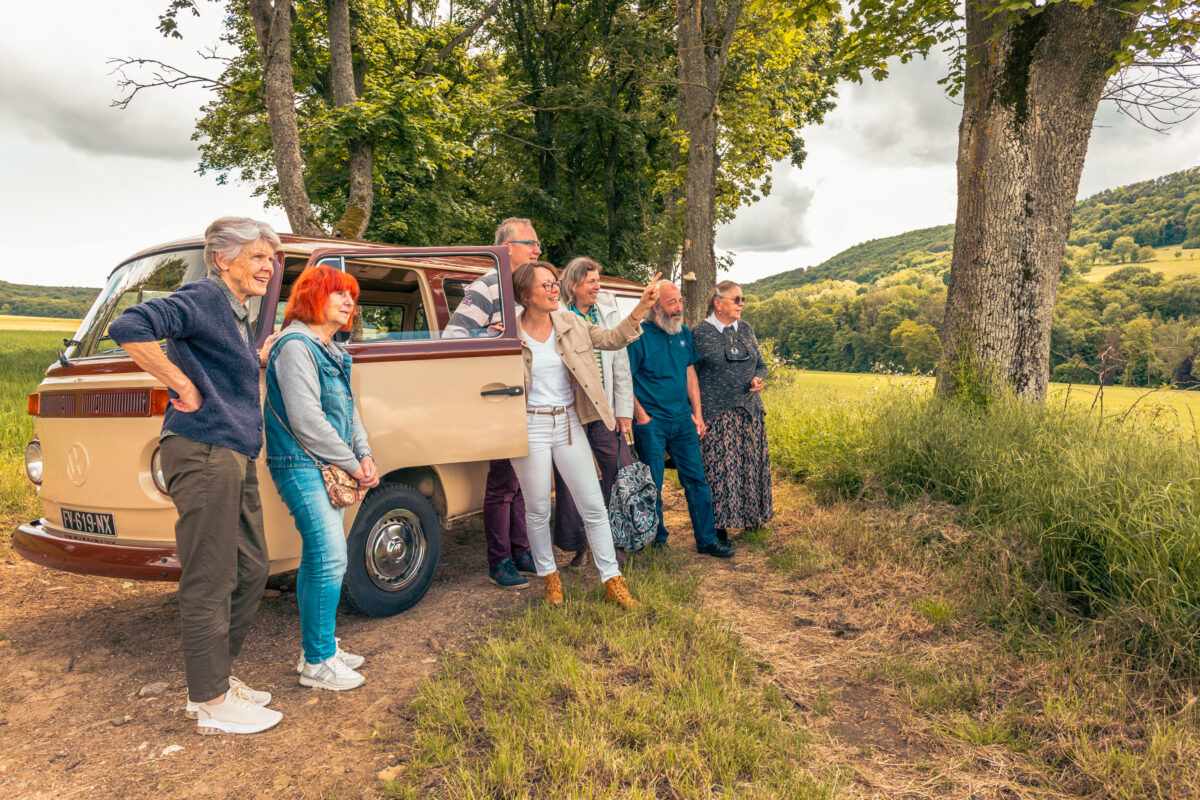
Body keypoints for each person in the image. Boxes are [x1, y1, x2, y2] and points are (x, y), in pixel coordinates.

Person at [108, 217, 283, 735]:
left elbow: (220, 365)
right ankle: (209, 700)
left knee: (252, 566)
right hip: (203, 449)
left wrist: (256, 357)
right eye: (257, 256)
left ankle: (217, 679)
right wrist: (181, 384)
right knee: (212, 573)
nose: (268, 267)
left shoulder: (236, 312)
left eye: (271, 259)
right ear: (222, 260)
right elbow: (129, 326)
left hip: (233, 451)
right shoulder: (204, 296)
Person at [509, 261, 661, 607]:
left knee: (593, 505)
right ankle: (550, 577)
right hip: (528, 425)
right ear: (525, 295)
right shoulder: (509, 333)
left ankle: (612, 580)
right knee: (537, 509)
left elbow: (612, 339)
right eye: (546, 285)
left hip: (568, 422)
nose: (554, 290)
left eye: (554, 283)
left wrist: (640, 307)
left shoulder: (571, 323)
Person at [264, 266, 380, 691]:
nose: (350, 302)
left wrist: (364, 454)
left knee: (319, 559)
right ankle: (318, 662)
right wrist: (353, 464)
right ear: (312, 296)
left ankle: (319, 647)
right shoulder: (296, 346)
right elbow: (307, 420)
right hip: (299, 464)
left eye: (352, 295)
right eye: (339, 293)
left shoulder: (331, 349)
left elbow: (350, 412)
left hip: (325, 465)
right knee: (330, 558)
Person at [444, 218, 542, 590]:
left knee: (521, 482)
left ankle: (521, 551)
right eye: (531, 243)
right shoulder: (487, 286)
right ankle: (499, 561)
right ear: (506, 247)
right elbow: (452, 336)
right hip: (503, 398)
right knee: (503, 482)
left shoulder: (529, 288)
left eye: (538, 244)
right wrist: (486, 335)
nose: (537, 250)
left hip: (534, 399)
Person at [626, 281, 734, 558]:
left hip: (683, 420)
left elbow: (690, 374)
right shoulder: (638, 336)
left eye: (680, 301)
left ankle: (707, 539)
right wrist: (642, 417)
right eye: (672, 302)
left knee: (696, 479)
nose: (679, 307)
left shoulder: (683, 333)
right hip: (652, 422)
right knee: (653, 483)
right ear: (655, 306)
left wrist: (697, 414)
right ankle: (657, 540)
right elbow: (624, 379)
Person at [551, 257, 634, 570]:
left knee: (620, 468)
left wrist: (623, 411)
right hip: (571, 408)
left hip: (604, 407)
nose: (598, 286)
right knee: (571, 478)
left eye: (598, 281)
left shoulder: (607, 312)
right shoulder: (557, 314)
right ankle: (578, 546)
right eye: (591, 282)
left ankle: (617, 539)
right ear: (573, 285)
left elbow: (621, 365)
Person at [690, 281, 773, 538]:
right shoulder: (699, 333)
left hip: (749, 412)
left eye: (742, 299)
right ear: (718, 303)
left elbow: (761, 365)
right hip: (716, 414)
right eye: (736, 299)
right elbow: (690, 375)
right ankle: (718, 527)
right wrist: (696, 413)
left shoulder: (745, 328)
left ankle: (753, 519)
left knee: (750, 468)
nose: (741, 304)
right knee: (720, 473)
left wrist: (758, 379)